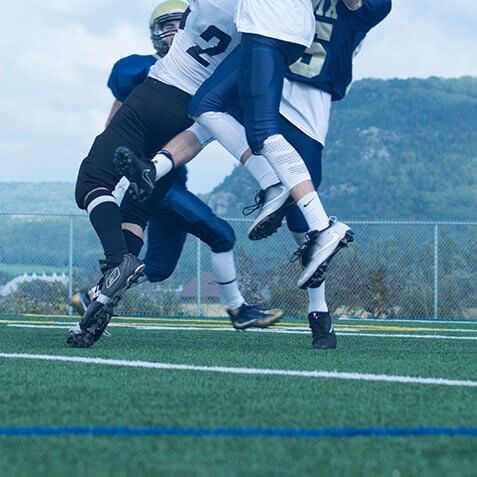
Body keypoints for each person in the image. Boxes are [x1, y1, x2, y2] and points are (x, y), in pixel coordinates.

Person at [131, 0, 392, 349]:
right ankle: (154, 168)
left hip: (304, 99)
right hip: (275, 71)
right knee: (207, 114)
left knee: (303, 227)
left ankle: (320, 309)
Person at [68, 0, 280, 348]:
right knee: (136, 213)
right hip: (192, 121)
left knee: (92, 181)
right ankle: (103, 300)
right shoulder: (260, 27)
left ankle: (117, 262)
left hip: (157, 94)